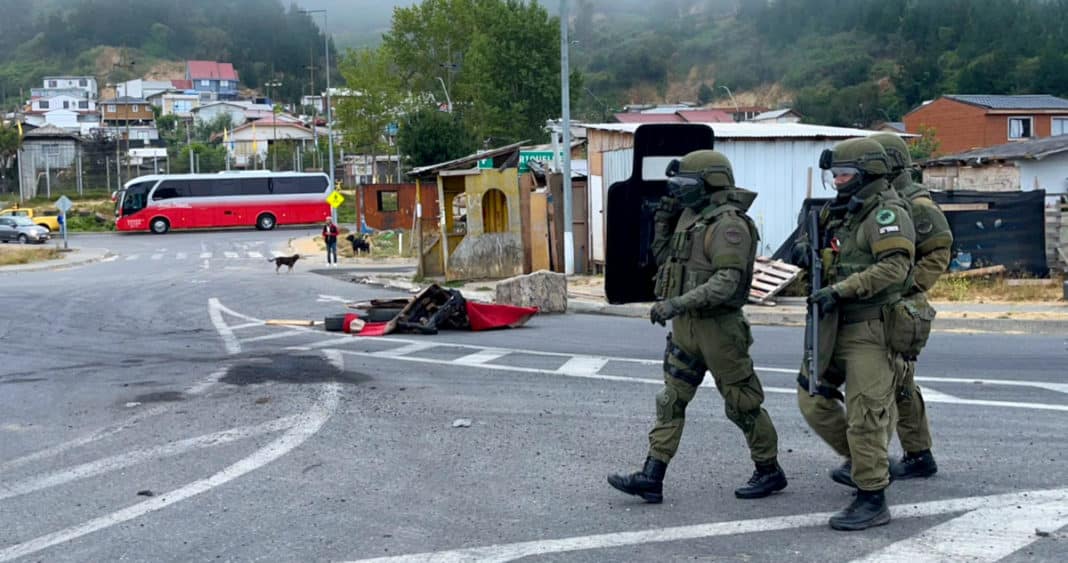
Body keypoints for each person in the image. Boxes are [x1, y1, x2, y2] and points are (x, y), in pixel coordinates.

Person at [608, 150, 786, 503]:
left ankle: (769, 470)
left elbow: (726, 283)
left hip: (720, 330)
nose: (678, 191)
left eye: (686, 184)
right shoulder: (691, 217)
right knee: (671, 399)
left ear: (711, 182)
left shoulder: (729, 225)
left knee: (742, 404)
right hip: (686, 329)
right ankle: (651, 476)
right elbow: (668, 262)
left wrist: (677, 303)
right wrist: (661, 223)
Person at [795, 137, 915, 531]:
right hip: (832, 323)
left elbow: (894, 269)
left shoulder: (886, 214)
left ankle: (872, 496)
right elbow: (818, 252)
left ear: (868, 174)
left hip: (870, 326)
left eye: (844, 174)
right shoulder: (840, 213)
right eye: (834, 176)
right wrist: (803, 250)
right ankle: (865, 461)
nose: (837, 182)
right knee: (812, 398)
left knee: (866, 414)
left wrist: (841, 289)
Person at [870, 133, 952, 481]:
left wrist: (905, 284)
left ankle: (868, 460)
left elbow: (939, 251)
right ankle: (918, 455)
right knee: (899, 383)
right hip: (884, 303)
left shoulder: (915, 202)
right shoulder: (883, 199)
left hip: (902, 305)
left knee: (885, 383)